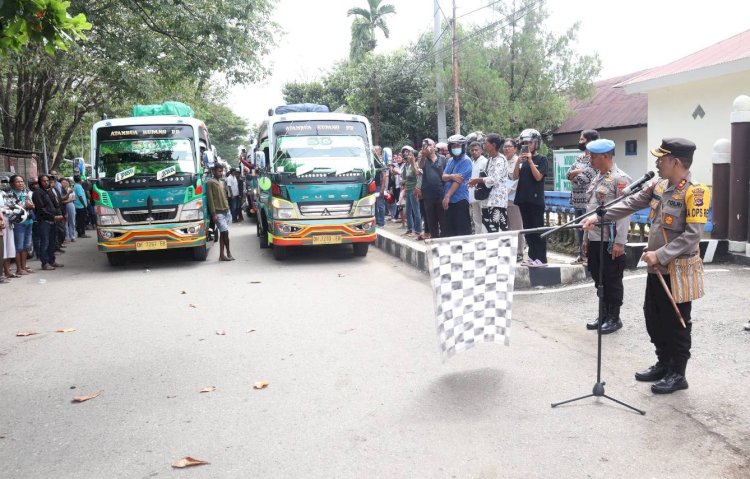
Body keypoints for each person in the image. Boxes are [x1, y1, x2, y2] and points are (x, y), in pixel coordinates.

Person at [582, 138, 710, 394]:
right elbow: (631, 202)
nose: (656, 162)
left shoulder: (695, 192)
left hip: (678, 270)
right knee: (653, 317)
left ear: (675, 162)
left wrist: (660, 254)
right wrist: (599, 216)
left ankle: (678, 373)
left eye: (661, 159)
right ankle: (663, 364)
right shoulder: (660, 185)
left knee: (677, 321)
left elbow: (693, 235)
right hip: (657, 269)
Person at [581, 139, 632, 334]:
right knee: (598, 277)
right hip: (594, 237)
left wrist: (620, 242)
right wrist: (586, 239)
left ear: (606, 156)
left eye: (593, 156)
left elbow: (624, 212)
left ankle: (614, 317)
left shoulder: (620, 179)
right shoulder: (597, 178)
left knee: (611, 278)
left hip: (609, 240)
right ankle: (603, 313)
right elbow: (590, 212)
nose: (590, 160)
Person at [513, 128, 548, 267]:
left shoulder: (542, 159)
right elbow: (515, 176)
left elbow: (538, 177)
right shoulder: (521, 160)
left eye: (530, 142)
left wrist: (530, 161)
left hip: (535, 200)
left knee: (537, 229)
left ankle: (541, 258)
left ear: (536, 143)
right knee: (528, 229)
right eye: (524, 142)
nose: (527, 145)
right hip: (523, 198)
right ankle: (532, 257)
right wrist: (518, 162)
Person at [567, 129, 599, 264]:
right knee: (578, 230)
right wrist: (577, 172)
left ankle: (589, 257)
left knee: (588, 231)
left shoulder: (595, 158)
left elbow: (586, 178)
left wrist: (576, 173)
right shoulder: (580, 158)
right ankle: (581, 255)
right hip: (576, 200)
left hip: (588, 201)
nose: (580, 142)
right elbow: (568, 175)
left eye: (582, 139)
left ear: (590, 141)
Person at [468, 133, 510, 233]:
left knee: (497, 229)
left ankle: (500, 248)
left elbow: (494, 179)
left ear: (493, 145)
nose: (484, 145)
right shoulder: (490, 160)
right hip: (487, 200)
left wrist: (478, 180)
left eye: (486, 143)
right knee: (487, 228)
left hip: (497, 201)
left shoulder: (501, 160)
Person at [441, 134, 473, 237]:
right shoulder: (450, 160)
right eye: (453, 146)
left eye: (458, 146)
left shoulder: (466, 161)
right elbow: (443, 177)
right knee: (449, 230)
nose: (456, 148)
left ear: (463, 147)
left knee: (462, 230)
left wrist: (447, 196)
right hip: (449, 200)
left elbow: (458, 181)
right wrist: (452, 176)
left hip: (460, 199)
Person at [32, 175, 64, 270]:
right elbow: (41, 209)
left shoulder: (49, 191)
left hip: (53, 221)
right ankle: (44, 263)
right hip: (44, 221)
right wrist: (53, 216)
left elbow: (56, 205)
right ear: (39, 182)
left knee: (52, 242)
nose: (46, 182)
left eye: (47, 180)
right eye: (43, 181)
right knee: (44, 242)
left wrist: (60, 215)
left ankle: (52, 260)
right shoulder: (38, 193)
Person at [418, 138, 446, 238]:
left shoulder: (442, 158)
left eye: (428, 145)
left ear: (434, 146)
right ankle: (435, 240)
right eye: (424, 145)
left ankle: (444, 241)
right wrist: (423, 156)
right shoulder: (423, 159)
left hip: (441, 194)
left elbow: (445, 175)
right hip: (428, 195)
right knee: (431, 220)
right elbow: (420, 167)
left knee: (443, 220)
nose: (426, 147)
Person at [503, 138, 525, 261]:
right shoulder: (503, 161)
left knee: (517, 226)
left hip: (514, 197)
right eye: (505, 146)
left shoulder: (518, 161)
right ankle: (509, 250)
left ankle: (519, 251)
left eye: (509, 146)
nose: (506, 149)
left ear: (515, 149)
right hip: (503, 198)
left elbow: (517, 180)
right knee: (507, 226)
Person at [206, 164, 234, 261]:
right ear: (214, 171)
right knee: (225, 232)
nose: (221, 173)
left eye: (222, 171)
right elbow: (210, 199)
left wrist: (228, 208)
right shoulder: (210, 182)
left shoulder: (222, 182)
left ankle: (222, 255)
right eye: (219, 171)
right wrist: (213, 213)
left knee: (223, 233)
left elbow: (225, 196)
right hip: (218, 212)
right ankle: (229, 252)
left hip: (226, 211)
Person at [9, 175, 35, 275]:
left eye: (22, 181)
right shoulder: (10, 195)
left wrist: (31, 205)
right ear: (12, 183)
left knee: (26, 246)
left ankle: (24, 267)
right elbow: (11, 210)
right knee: (18, 246)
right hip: (18, 223)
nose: (20, 183)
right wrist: (25, 206)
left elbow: (32, 205)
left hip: (28, 221)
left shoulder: (26, 193)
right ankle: (19, 269)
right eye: (18, 182)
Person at [400, 146, 423, 239]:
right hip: (408, 189)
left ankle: (418, 231)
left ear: (415, 156)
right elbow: (407, 178)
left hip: (414, 190)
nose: (408, 156)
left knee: (416, 211)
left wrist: (413, 162)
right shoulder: (408, 165)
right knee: (408, 211)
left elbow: (417, 174)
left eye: (410, 154)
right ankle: (410, 228)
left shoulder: (416, 164)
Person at [468, 141, 488, 234]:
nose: (474, 152)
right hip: (473, 194)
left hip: (483, 194)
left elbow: (488, 178)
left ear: (481, 150)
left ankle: (485, 239)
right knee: (476, 218)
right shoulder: (471, 162)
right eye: (472, 150)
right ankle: (478, 237)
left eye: (476, 150)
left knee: (484, 218)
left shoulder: (485, 162)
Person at [372, 146, 387, 227]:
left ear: (379, 151)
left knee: (380, 204)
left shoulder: (381, 162)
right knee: (373, 204)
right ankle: (377, 220)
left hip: (378, 185)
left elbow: (384, 176)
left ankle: (381, 222)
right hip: (372, 185)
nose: (374, 151)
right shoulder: (372, 161)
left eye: (375, 150)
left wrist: (382, 188)